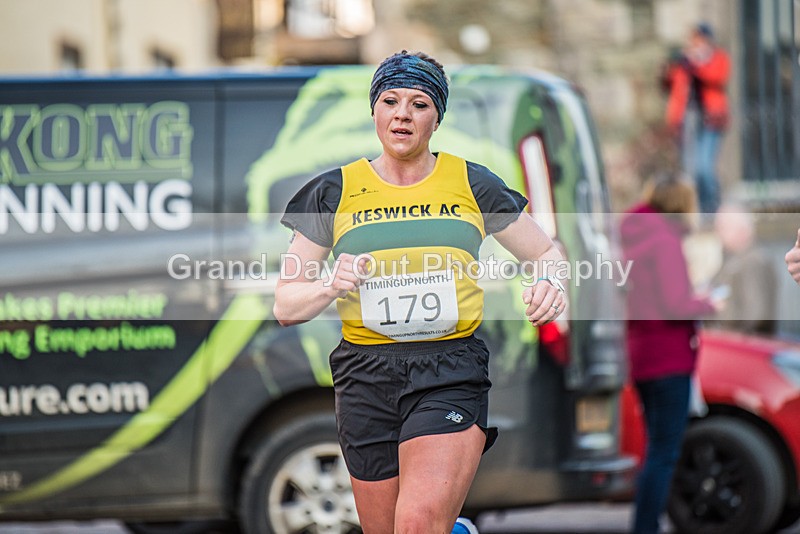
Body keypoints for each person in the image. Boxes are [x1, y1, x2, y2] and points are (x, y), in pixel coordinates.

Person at [274, 50, 566, 534]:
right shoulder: (333, 192)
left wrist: (548, 282)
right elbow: (286, 303)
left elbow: (546, 254)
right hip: (365, 375)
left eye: (419, 103)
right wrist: (330, 284)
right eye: (390, 100)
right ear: (375, 112)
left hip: (448, 368)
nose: (403, 113)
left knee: (416, 525)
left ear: (436, 118)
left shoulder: (471, 182)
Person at [619, 173, 723, 534]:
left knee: (656, 451)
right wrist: (709, 303)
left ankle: (646, 525)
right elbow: (676, 303)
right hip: (668, 359)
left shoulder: (637, 237)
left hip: (644, 356)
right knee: (663, 454)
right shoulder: (664, 241)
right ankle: (646, 527)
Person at [664, 23, 731, 215]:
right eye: (693, 40)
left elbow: (716, 77)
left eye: (700, 40)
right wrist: (671, 66)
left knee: (704, 167)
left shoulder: (718, 58)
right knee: (689, 169)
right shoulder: (685, 63)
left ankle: (713, 206)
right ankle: (696, 210)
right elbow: (671, 85)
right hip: (688, 120)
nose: (696, 44)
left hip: (711, 120)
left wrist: (694, 64)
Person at [708, 204, 777, 335]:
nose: (718, 233)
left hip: (745, 348)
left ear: (742, 230)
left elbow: (757, 315)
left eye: (722, 227)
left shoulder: (754, 262)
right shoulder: (732, 260)